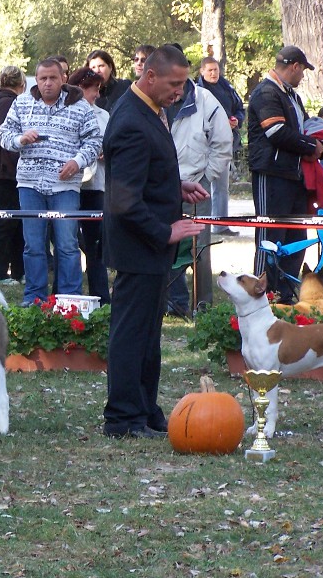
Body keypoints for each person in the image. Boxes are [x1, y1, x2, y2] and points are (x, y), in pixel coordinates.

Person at [102, 44, 207, 439]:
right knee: (131, 334)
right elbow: (123, 199)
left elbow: (142, 175)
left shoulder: (150, 110)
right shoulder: (130, 119)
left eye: (183, 84)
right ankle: (122, 417)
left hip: (149, 249)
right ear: (150, 76)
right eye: (174, 84)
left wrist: (174, 187)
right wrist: (166, 231)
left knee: (148, 335)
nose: (179, 91)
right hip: (138, 247)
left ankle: (145, 410)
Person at [0, 58, 101, 305]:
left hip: (65, 187)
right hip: (29, 185)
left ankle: (69, 299)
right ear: (35, 80)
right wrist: (20, 139)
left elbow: (95, 141)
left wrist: (77, 161)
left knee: (67, 244)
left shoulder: (80, 106)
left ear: (63, 79)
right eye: (43, 78)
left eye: (53, 78)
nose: (47, 83)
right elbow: (3, 134)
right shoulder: (22, 103)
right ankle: (34, 298)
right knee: (33, 245)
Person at [247, 46, 323, 303]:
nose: (303, 76)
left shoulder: (292, 96)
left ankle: (286, 296)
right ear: (294, 66)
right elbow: (276, 132)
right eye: (303, 70)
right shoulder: (266, 92)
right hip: (271, 174)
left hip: (295, 176)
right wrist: (311, 146)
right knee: (270, 237)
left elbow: (305, 125)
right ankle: (262, 295)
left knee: (296, 236)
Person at [164, 72, 232, 316]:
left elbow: (223, 142)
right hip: (162, 184)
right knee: (164, 241)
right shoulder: (155, 98)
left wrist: (206, 177)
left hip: (196, 185)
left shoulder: (206, 100)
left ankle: (202, 305)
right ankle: (173, 302)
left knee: (199, 248)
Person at [67, 67, 110, 303]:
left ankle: (100, 296)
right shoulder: (64, 111)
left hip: (95, 186)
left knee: (96, 244)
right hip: (69, 186)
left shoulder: (103, 116)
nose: (97, 94)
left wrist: (105, 152)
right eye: (94, 89)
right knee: (67, 242)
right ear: (80, 88)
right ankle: (65, 294)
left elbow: (113, 143)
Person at [0, 66, 26, 284]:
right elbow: (3, 137)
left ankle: (18, 270)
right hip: (4, 170)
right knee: (6, 220)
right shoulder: (9, 103)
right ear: (22, 85)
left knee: (15, 220)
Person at [196, 56, 245, 235]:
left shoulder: (227, 87)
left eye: (215, 70)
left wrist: (236, 120)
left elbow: (240, 108)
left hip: (223, 143)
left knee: (221, 185)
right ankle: (200, 225)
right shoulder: (196, 91)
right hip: (202, 144)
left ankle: (220, 224)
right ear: (202, 71)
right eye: (209, 70)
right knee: (200, 185)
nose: (213, 73)